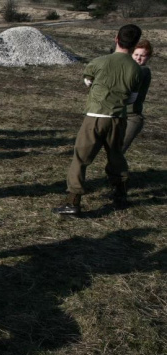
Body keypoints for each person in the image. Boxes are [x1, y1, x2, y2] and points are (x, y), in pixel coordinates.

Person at [53, 24, 142, 215]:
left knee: (80, 159)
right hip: (118, 119)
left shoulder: (99, 61)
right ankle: (120, 196)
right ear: (135, 44)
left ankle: (73, 201)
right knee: (116, 155)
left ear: (116, 39)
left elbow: (88, 81)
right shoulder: (136, 69)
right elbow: (132, 99)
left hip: (95, 118)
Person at [122, 39, 153, 153]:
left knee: (118, 150)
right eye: (136, 54)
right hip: (118, 114)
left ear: (148, 57)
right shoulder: (128, 67)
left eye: (142, 56)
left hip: (132, 116)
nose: (138, 58)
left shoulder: (143, 70)